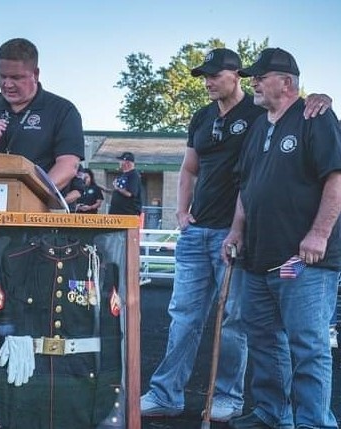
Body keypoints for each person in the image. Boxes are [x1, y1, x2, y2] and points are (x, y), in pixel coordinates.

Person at [140, 48, 333, 422]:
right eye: (204, 76)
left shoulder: (285, 115)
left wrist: (322, 98)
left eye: (215, 74)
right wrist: (202, 219)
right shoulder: (228, 120)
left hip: (274, 247)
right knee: (218, 325)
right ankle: (182, 396)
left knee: (273, 333)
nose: (209, 81)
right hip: (226, 241)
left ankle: (263, 407)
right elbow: (215, 175)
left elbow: (325, 159)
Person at [223, 48, 341, 429]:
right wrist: (236, 231)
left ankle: (313, 422)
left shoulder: (316, 117)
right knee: (263, 340)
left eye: (260, 76)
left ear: (286, 82)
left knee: (307, 345)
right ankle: (274, 415)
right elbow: (246, 185)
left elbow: (336, 177)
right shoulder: (259, 125)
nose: (253, 82)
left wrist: (319, 234)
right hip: (257, 257)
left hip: (303, 259)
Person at [0, 38, 84, 190]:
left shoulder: (63, 110)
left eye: (16, 77)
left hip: (40, 210)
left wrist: (34, 194)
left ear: (36, 74)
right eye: (2, 76)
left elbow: (68, 165)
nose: (7, 84)